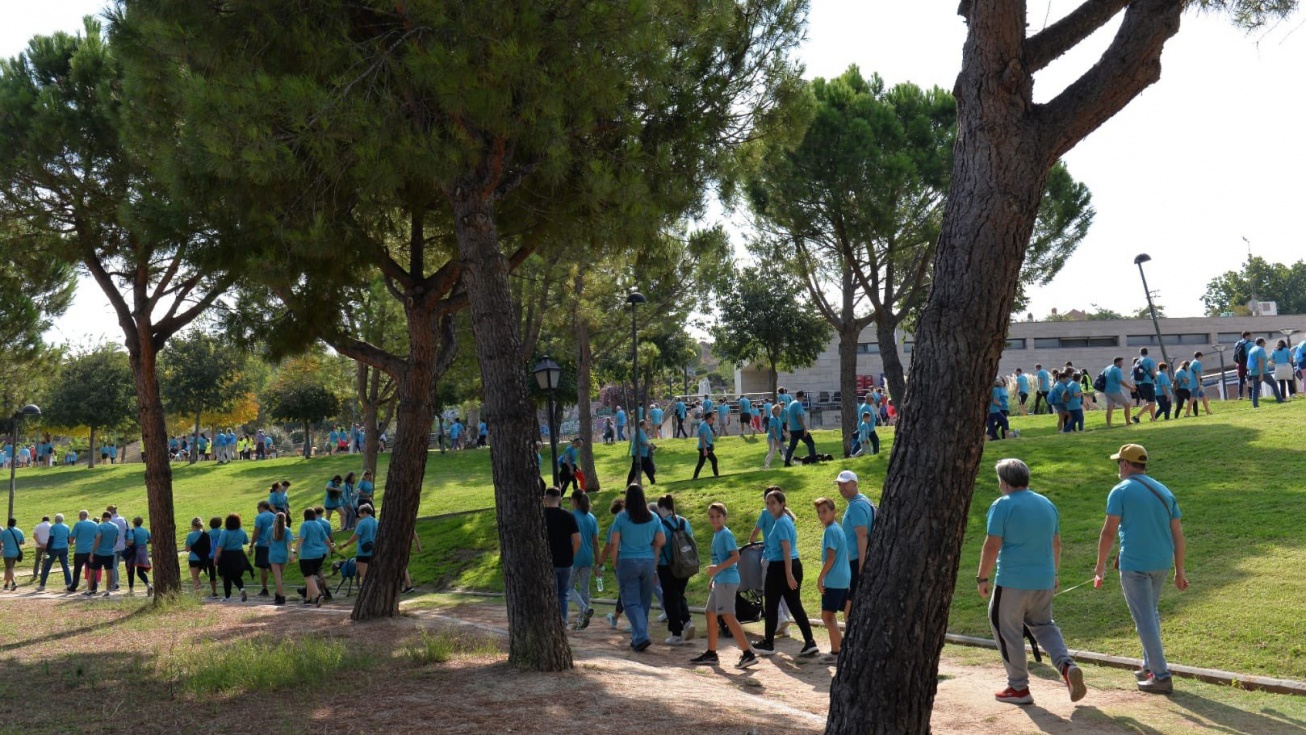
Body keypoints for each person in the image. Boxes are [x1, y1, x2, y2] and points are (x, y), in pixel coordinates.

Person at [978, 458, 1087, 705]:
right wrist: (1054, 574)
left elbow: (992, 544)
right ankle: (1067, 666)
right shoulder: (1047, 504)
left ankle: (1018, 687)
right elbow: (1056, 543)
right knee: (1044, 625)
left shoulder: (1002, 505)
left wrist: (982, 576)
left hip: (1012, 580)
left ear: (1004, 482)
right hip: (1044, 579)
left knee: (1006, 629)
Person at [1093, 444, 1188, 694]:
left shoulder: (1120, 491)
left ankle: (1161, 675)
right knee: (1150, 614)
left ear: (1125, 464)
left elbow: (1108, 531)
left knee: (1144, 619)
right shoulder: (1164, 491)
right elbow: (1178, 534)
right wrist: (1179, 570)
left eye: (1119, 463)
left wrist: (1100, 565)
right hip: (1161, 563)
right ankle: (1149, 666)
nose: (1118, 467)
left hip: (1135, 565)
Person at [689, 502, 758, 669]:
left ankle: (748, 654)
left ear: (724, 517)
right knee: (710, 613)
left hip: (727, 580)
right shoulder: (717, 534)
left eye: (718, 516)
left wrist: (717, 569)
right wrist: (714, 577)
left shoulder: (725, 534)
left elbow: (735, 557)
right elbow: (720, 560)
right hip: (721, 580)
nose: (715, 519)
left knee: (728, 616)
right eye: (712, 517)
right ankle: (711, 653)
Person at [752, 489, 819, 658]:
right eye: (767, 503)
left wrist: (788, 574)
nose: (770, 506)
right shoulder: (785, 520)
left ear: (782, 504)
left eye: (773, 503)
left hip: (780, 567)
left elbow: (786, 549)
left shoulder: (781, 522)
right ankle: (810, 642)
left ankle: (768, 643)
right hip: (792, 565)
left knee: (771, 605)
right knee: (795, 605)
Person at [608, 484, 665, 652]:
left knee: (631, 601)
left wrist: (614, 562)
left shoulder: (621, 517)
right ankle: (637, 636)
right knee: (644, 600)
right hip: (648, 562)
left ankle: (641, 635)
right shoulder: (653, 517)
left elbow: (614, 542)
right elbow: (661, 540)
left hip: (627, 561)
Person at [655, 494, 696, 646]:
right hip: (685, 564)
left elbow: (658, 546)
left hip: (667, 566)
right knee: (679, 594)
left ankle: (676, 633)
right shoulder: (684, 522)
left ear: (661, 508)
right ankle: (687, 621)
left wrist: (653, 566)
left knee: (670, 599)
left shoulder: (661, 525)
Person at [813, 497, 849, 664]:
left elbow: (831, 557)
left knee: (826, 616)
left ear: (833, 512)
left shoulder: (830, 531)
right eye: (819, 512)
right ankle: (836, 651)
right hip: (842, 578)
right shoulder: (836, 529)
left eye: (825, 511)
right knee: (830, 615)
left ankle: (841, 652)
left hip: (834, 579)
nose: (821, 515)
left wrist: (820, 578)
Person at [835, 470, 874, 622]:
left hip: (856, 561)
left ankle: (849, 633)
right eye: (839, 485)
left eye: (845, 484)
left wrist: (861, 566)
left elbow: (862, 536)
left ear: (855, 484)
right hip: (854, 561)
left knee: (849, 605)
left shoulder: (856, 506)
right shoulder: (862, 501)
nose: (841, 488)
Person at [542, 487, 580, 626]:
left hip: (547, 561)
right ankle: (563, 621)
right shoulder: (568, 516)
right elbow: (577, 540)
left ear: (545, 499)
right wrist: (571, 554)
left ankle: (550, 621)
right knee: (563, 594)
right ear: (560, 499)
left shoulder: (541, 516)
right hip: (565, 561)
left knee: (548, 593)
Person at [567, 489, 600, 630]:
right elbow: (596, 542)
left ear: (575, 501)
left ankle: (584, 608)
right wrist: (598, 563)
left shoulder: (571, 516)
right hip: (587, 557)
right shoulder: (591, 518)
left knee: (568, 587)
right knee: (584, 588)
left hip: (574, 556)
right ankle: (581, 620)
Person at [295, 508, 334, 606]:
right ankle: (308, 599)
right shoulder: (318, 524)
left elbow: (301, 538)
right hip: (319, 554)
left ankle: (318, 595)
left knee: (308, 576)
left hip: (307, 555)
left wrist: (296, 551)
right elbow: (326, 538)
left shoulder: (304, 525)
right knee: (312, 576)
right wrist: (331, 547)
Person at [337, 503, 378, 586]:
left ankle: (366, 590)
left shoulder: (362, 523)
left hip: (363, 552)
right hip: (374, 550)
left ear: (365, 512)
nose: (359, 515)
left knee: (364, 575)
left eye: (360, 513)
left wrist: (345, 544)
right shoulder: (376, 521)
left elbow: (355, 536)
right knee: (373, 574)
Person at [214, 513, 251, 601]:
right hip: (239, 555)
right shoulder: (242, 531)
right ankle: (242, 589)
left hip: (226, 555)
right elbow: (246, 541)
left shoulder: (225, 532)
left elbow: (220, 546)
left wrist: (216, 557)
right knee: (236, 575)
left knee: (226, 576)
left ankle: (228, 596)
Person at [88, 511, 119, 597]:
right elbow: (116, 540)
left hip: (99, 552)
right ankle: (107, 590)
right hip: (110, 552)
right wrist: (112, 547)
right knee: (109, 571)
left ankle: (89, 590)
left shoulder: (100, 526)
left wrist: (92, 552)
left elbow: (98, 540)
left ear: (102, 518)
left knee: (92, 571)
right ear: (110, 517)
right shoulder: (115, 526)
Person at [38, 513, 72, 592]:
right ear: (62, 520)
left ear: (55, 520)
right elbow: (68, 539)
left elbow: (51, 539)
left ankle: (42, 585)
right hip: (64, 548)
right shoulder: (66, 527)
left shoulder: (53, 527)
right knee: (65, 567)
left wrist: (46, 551)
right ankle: (69, 584)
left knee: (47, 566)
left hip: (54, 549)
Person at [783, 391, 818, 466]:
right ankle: (813, 460)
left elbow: (788, 416)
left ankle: (787, 462)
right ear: (802, 396)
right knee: (810, 443)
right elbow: (799, 416)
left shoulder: (791, 404)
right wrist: (804, 428)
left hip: (793, 429)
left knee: (792, 447)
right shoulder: (798, 404)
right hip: (799, 429)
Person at [1247, 337, 1284, 408]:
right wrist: (1261, 374)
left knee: (1255, 389)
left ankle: (1255, 405)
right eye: (1264, 342)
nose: (1265, 344)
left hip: (1253, 372)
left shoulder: (1252, 350)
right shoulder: (1260, 349)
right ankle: (1279, 400)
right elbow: (1260, 361)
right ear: (1261, 343)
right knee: (1273, 384)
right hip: (1263, 372)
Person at [250, 500, 276, 596]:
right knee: (273, 568)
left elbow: (256, 532)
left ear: (261, 507)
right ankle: (279, 587)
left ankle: (265, 589)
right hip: (273, 545)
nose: (257, 509)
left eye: (258, 507)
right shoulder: (274, 516)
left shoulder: (259, 517)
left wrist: (251, 544)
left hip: (262, 544)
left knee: (263, 568)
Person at [267, 512, 295, 605]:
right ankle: (278, 593)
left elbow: (267, 542)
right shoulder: (287, 530)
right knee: (280, 576)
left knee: (277, 577)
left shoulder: (270, 529)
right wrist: (292, 554)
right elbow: (289, 545)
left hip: (273, 554)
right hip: (283, 554)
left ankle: (281, 596)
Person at [1102, 356, 1136, 428]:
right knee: (1127, 405)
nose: (1122, 364)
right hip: (1115, 391)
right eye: (1121, 362)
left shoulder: (1108, 368)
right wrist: (1130, 387)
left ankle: (1109, 425)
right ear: (1117, 362)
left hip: (1107, 391)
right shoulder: (1117, 370)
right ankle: (1128, 422)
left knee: (1109, 408)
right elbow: (1121, 381)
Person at [69, 510, 97, 593]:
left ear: (80, 516)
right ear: (88, 515)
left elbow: (72, 537)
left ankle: (74, 586)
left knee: (77, 570)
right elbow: (98, 536)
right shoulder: (95, 524)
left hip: (80, 550)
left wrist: (71, 542)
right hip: (91, 550)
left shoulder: (78, 524)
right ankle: (93, 587)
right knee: (92, 569)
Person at [124, 516, 152, 596]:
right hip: (143, 551)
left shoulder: (132, 531)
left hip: (134, 552)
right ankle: (148, 585)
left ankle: (131, 590)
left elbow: (131, 542)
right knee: (140, 572)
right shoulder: (145, 530)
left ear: (134, 523)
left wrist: (126, 543)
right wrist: (143, 542)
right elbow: (151, 540)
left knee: (130, 571)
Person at [184, 517, 212, 594]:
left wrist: (193, 547)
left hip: (194, 559)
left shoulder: (190, 535)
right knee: (197, 577)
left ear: (193, 525)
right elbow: (209, 547)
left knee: (195, 578)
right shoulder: (207, 534)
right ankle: (199, 592)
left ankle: (197, 594)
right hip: (204, 559)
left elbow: (187, 549)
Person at [626, 418, 656, 486]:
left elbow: (644, 441)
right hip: (639, 455)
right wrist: (651, 446)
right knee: (634, 471)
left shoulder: (642, 432)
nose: (647, 425)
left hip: (643, 455)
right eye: (646, 424)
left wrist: (650, 446)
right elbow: (644, 442)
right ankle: (629, 486)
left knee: (650, 468)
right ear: (642, 425)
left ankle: (653, 482)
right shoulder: (640, 432)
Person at [692, 411, 719, 479]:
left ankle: (695, 477)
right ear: (709, 418)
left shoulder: (706, 425)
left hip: (706, 446)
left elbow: (708, 437)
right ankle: (716, 475)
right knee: (714, 460)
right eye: (713, 418)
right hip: (705, 447)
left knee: (701, 463)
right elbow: (703, 438)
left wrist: (711, 444)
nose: (713, 420)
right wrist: (705, 449)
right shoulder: (704, 426)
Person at [108, 505, 128, 591]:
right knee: (116, 565)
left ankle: (115, 584)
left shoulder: (111, 521)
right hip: (122, 545)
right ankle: (116, 582)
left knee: (113, 565)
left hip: (114, 545)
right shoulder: (122, 519)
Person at [1135, 347, 1158, 421]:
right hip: (1148, 382)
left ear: (1140, 353)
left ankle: (1153, 418)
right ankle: (1136, 417)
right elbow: (1153, 371)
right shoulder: (1150, 360)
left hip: (1141, 383)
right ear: (1147, 352)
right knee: (1152, 403)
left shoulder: (1138, 361)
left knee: (1150, 401)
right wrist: (1157, 378)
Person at [2, 518, 25, 591]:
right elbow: (22, 542)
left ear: (8, 523)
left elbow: (0, 541)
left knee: (9, 568)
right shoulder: (19, 531)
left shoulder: (4, 532)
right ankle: (6, 584)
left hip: (7, 553)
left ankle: (14, 583)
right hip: (16, 553)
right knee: (10, 569)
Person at [763, 403, 785, 470]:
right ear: (773, 410)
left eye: (779, 409)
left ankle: (767, 464)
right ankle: (766, 465)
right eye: (777, 409)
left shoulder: (778, 418)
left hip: (777, 437)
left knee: (774, 451)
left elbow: (781, 428)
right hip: (772, 438)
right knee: (772, 451)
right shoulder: (772, 418)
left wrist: (785, 433)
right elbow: (772, 429)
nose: (778, 411)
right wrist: (775, 438)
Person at [1232, 330, 1252, 399]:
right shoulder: (1250, 344)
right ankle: (1250, 395)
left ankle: (1240, 395)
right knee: (1249, 379)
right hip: (1247, 362)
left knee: (1241, 379)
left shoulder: (1237, 343)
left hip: (1239, 363)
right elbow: (1251, 354)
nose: (1250, 337)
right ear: (1246, 336)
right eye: (1250, 336)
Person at [32, 515, 51, 582]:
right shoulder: (51, 526)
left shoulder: (38, 526)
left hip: (38, 546)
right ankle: (43, 574)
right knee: (45, 560)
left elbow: (35, 536)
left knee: (37, 560)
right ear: (48, 520)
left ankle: (35, 574)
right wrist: (47, 544)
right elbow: (52, 536)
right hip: (47, 547)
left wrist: (40, 543)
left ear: (42, 520)